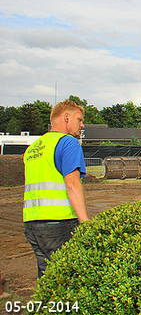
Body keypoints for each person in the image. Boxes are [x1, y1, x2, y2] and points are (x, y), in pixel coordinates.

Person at [23, 99, 89, 278]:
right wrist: (85, 222)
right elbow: (72, 184)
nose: (81, 125)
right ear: (66, 117)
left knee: (47, 276)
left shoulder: (33, 148)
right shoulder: (68, 143)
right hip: (59, 222)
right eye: (79, 119)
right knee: (67, 278)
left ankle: (48, 305)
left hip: (32, 223)